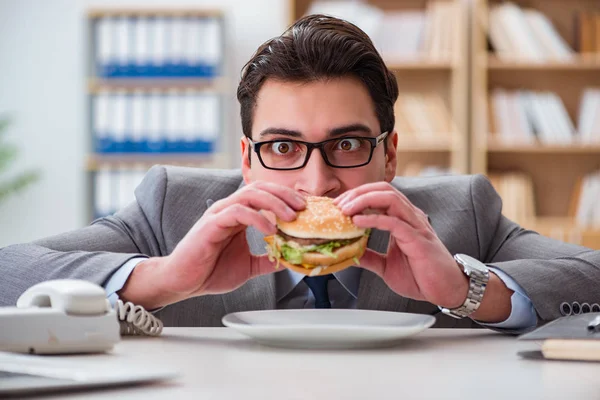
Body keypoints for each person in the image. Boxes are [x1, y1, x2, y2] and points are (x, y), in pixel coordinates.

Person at [1, 15, 598, 332]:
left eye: (347, 143)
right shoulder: (171, 208)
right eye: (283, 147)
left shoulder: (459, 212)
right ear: (245, 159)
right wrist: (162, 281)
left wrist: (468, 291)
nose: (317, 184)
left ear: (390, 155)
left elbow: (590, 276)